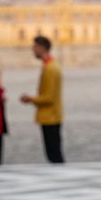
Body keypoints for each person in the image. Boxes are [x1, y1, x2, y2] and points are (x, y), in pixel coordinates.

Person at [21, 35, 63, 163]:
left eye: (34, 47)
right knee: (54, 153)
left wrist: (30, 99)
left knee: (54, 155)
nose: (33, 51)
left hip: (49, 116)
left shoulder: (50, 68)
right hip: (52, 115)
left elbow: (48, 98)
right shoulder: (51, 66)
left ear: (42, 48)